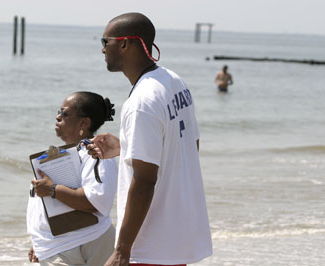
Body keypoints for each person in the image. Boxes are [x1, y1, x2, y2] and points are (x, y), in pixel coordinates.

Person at [88, 12, 212, 266]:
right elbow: (188, 147)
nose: (102, 50)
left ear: (124, 43)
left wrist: (122, 249)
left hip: (151, 244)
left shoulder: (142, 101)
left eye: (105, 42)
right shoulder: (174, 82)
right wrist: (126, 149)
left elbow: (145, 180)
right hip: (176, 236)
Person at [27, 91, 118, 266]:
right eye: (58, 111)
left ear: (83, 122)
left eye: (65, 114)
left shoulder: (96, 154)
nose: (57, 117)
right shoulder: (62, 155)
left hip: (88, 243)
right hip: (55, 246)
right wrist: (37, 240)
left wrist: (53, 189)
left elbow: (96, 202)